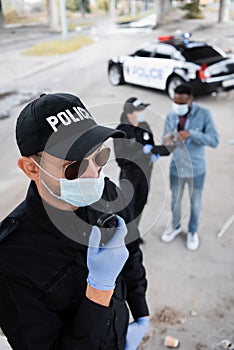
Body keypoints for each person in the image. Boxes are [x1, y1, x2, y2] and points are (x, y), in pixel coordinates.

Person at [0, 92, 150, 350]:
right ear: (32, 169)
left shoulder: (108, 194)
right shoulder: (10, 259)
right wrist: (98, 290)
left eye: (99, 157)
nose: (94, 175)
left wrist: (140, 309)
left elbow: (132, 252)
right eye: (74, 167)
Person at [161, 84, 219, 251]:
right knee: (175, 201)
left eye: (181, 102)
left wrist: (192, 134)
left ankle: (192, 231)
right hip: (176, 168)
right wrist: (168, 139)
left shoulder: (204, 115)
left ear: (191, 100)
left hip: (196, 169)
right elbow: (166, 137)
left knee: (195, 203)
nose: (177, 106)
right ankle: (176, 226)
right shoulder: (170, 115)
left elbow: (214, 140)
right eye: (175, 101)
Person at [114, 97, 159, 230]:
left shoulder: (144, 126)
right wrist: (142, 152)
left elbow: (151, 144)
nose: (143, 113)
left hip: (145, 174)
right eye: (139, 111)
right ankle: (126, 238)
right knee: (128, 209)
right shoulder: (121, 132)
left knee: (141, 204)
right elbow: (121, 160)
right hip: (129, 177)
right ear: (130, 114)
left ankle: (134, 234)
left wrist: (153, 153)